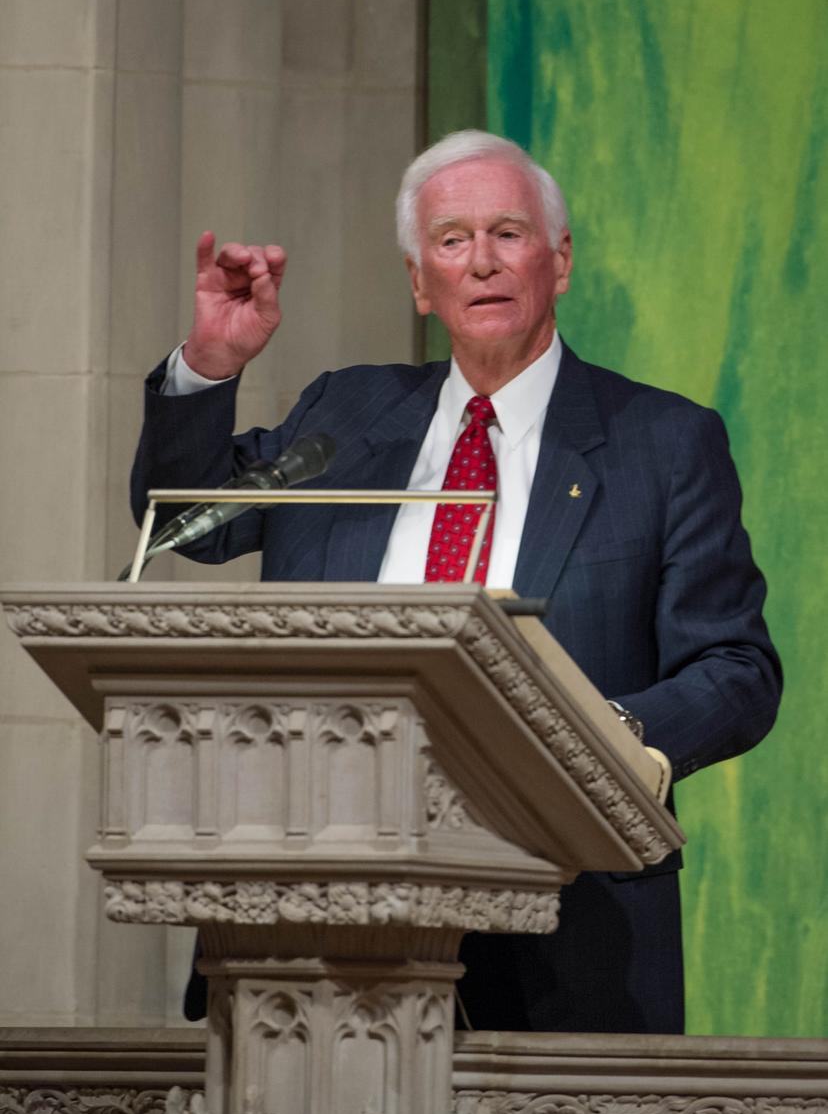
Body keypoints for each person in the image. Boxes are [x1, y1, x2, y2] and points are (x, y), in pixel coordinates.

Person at [132, 130, 781, 1034]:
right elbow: (182, 528)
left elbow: (737, 669)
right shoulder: (344, 414)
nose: (481, 261)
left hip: (561, 912)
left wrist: (612, 740)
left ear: (558, 263)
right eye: (451, 240)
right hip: (315, 903)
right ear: (418, 280)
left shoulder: (662, 444)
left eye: (509, 234)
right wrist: (211, 366)